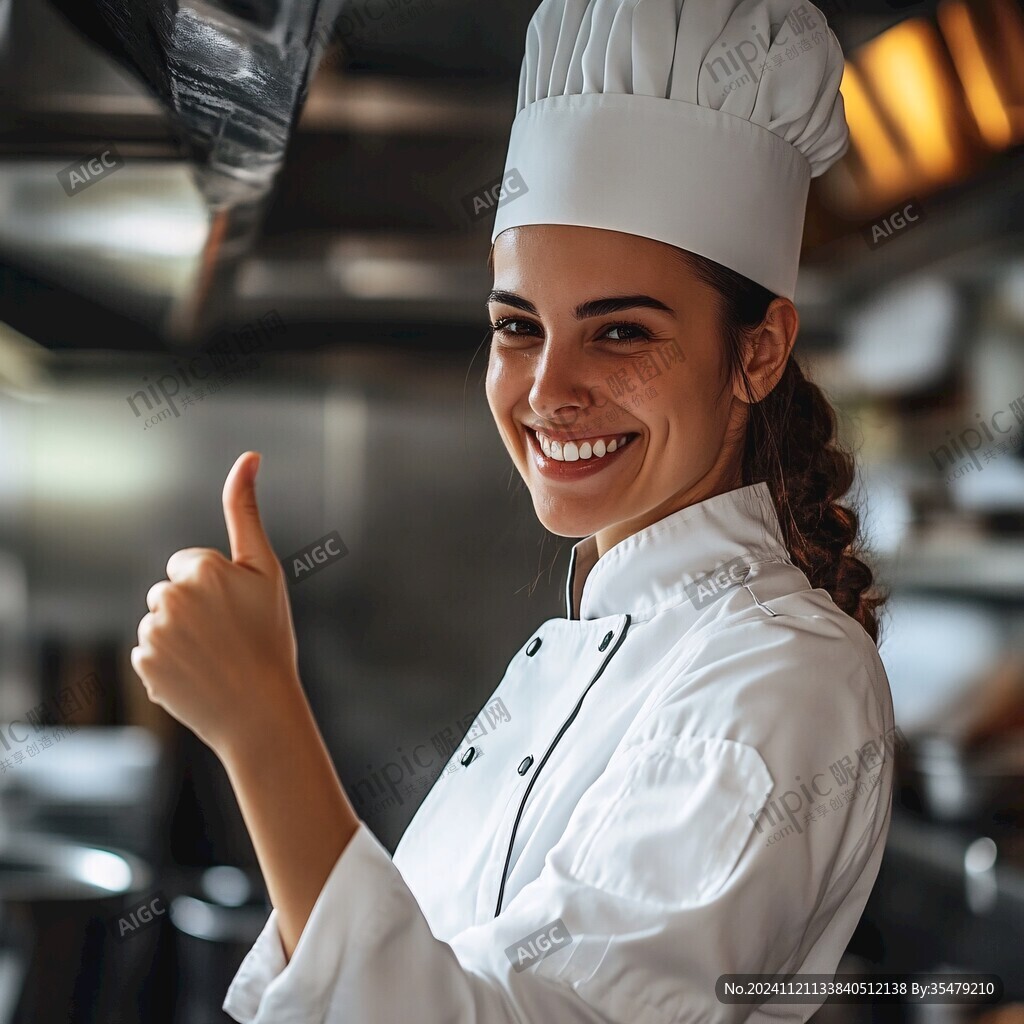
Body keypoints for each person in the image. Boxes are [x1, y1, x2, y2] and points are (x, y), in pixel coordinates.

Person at [131, 1, 898, 1020]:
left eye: (620, 331)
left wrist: (261, 722)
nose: (546, 391)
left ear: (756, 351)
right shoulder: (593, 643)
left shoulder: (782, 678)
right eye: (517, 326)